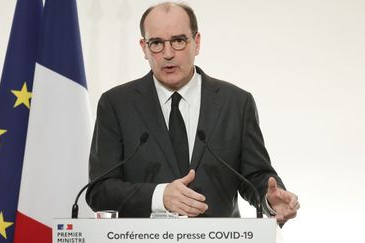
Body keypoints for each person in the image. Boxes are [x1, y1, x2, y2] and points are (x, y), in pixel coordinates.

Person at [86, 2, 299, 224]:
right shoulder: (116, 104)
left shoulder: (236, 102)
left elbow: (254, 175)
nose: (168, 54)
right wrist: (159, 196)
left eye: (178, 41)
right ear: (144, 48)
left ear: (196, 43)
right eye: (157, 43)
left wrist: (269, 200)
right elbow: (100, 190)